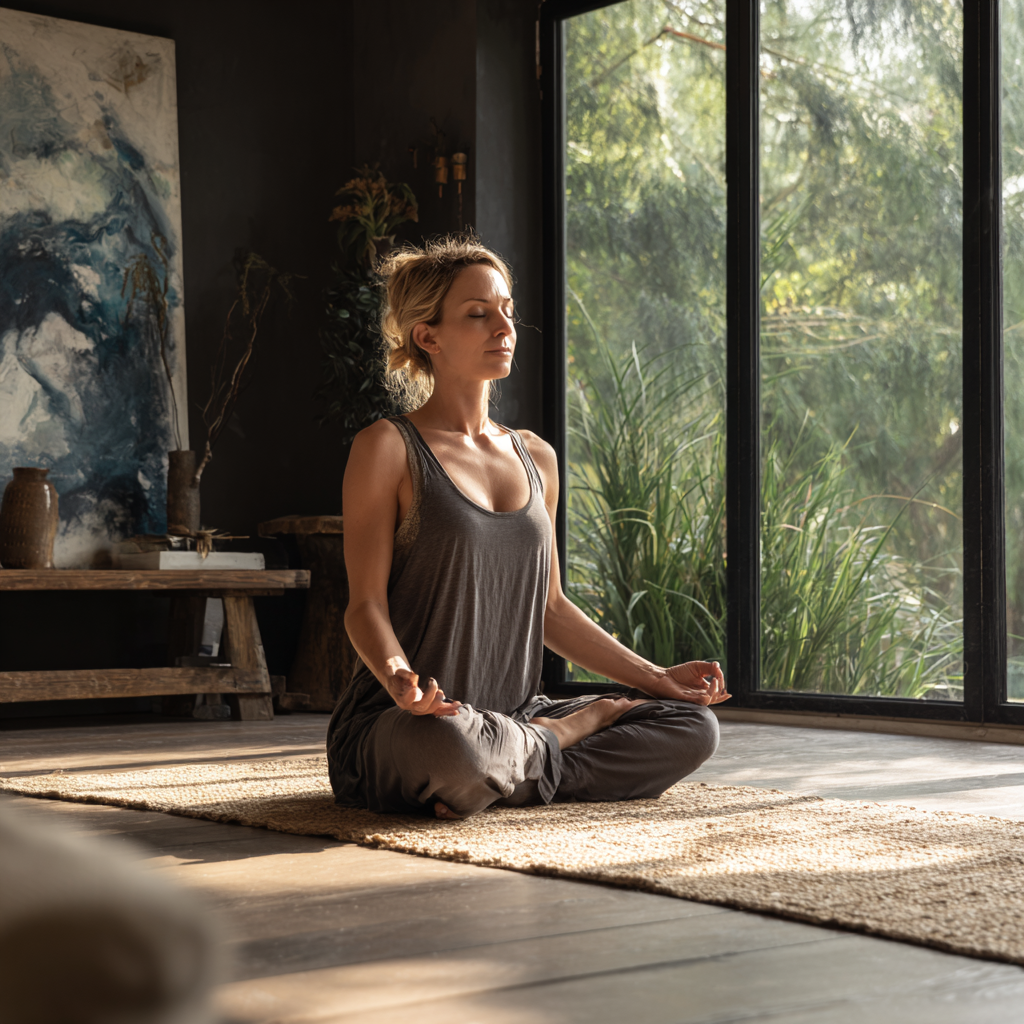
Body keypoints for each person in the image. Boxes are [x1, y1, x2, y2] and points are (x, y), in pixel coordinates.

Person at [326, 236, 730, 821]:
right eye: (478, 314)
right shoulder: (387, 448)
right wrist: (399, 681)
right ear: (428, 336)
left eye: (507, 311)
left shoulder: (536, 456)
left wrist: (659, 677)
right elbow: (364, 606)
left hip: (514, 713)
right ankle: (541, 746)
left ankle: (502, 769)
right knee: (451, 747)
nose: (503, 326)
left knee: (693, 725)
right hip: (411, 723)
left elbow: (551, 608)